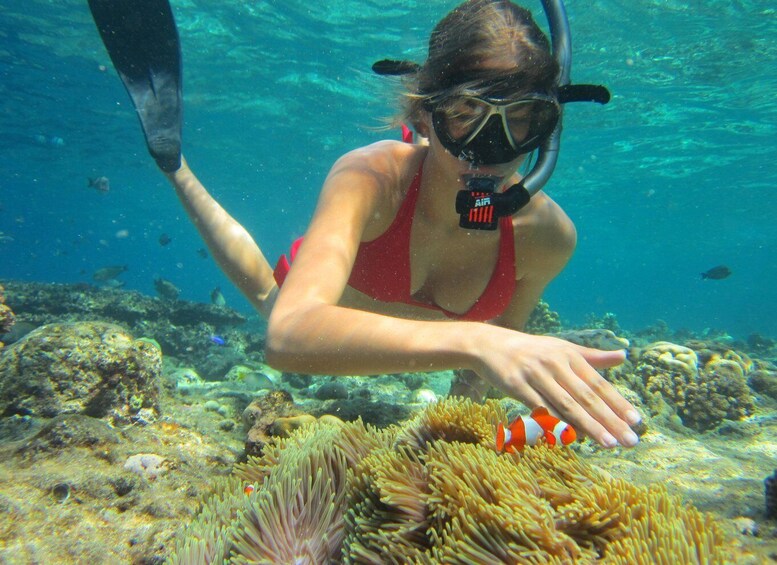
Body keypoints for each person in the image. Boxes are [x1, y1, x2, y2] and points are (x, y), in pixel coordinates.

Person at [88, 0, 641, 448]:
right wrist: (477, 339)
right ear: (424, 113)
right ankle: (175, 165)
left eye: (522, 121)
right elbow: (288, 336)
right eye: (465, 117)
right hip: (308, 305)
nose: (492, 150)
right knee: (269, 299)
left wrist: (455, 437)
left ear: (549, 128)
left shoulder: (548, 237)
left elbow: (491, 365)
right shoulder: (370, 176)